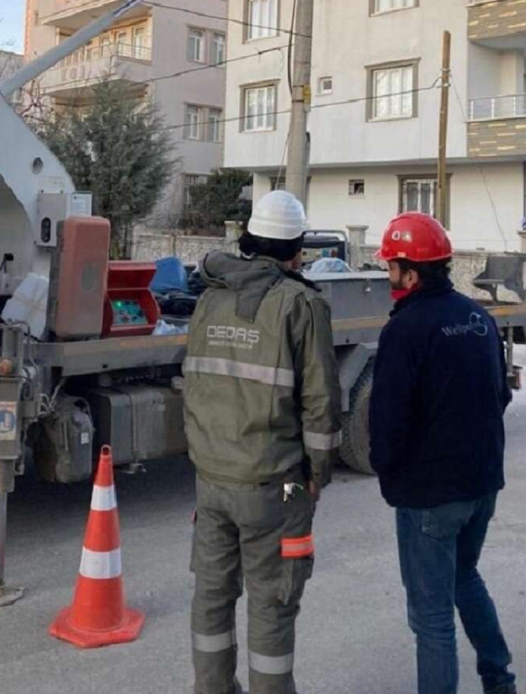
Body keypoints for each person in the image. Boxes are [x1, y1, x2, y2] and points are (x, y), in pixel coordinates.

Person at [183, 190, 342, 694]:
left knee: (212, 597)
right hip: (274, 486)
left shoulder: (210, 298)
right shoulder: (301, 303)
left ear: (249, 241)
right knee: (273, 604)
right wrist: (318, 475)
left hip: (212, 481)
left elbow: (197, 384)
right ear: (296, 249)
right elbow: (321, 403)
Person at [369, 212, 516, 694]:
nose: (388, 275)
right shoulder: (477, 317)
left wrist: (389, 474)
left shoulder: (405, 329)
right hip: (482, 483)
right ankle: (500, 680)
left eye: (391, 267)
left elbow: (387, 422)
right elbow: (501, 396)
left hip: (430, 495)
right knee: (464, 577)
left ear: (411, 274)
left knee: (431, 619)